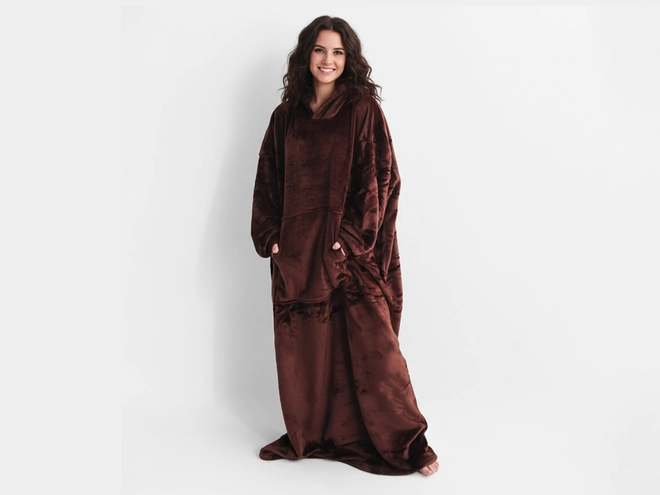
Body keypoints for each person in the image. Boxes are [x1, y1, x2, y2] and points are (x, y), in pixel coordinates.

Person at [250, 15, 439, 476]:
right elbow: (267, 180)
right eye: (320, 50)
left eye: (337, 52)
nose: (328, 60)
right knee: (307, 355)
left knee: (377, 356)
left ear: (348, 59)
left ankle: (406, 444)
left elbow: (382, 178)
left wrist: (349, 242)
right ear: (306, 55)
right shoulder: (285, 117)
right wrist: (272, 238)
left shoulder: (362, 110)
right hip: (296, 257)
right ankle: (316, 434)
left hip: (347, 256)